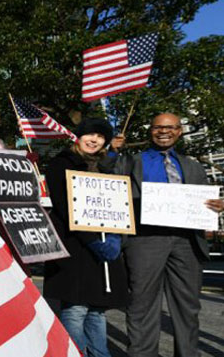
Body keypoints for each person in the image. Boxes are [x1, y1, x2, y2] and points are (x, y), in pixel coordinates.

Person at [115, 113, 224, 357]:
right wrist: (111, 152)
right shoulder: (131, 161)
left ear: (179, 131)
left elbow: (204, 200)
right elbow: (106, 179)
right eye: (158, 127)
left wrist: (216, 205)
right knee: (142, 304)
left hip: (187, 242)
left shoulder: (193, 166)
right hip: (144, 240)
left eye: (171, 127)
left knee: (188, 307)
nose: (164, 131)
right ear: (150, 130)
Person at [43, 118, 128, 357]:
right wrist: (91, 240)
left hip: (102, 245)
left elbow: (118, 205)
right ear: (78, 136)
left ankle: (101, 354)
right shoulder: (62, 163)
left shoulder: (107, 166)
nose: (94, 140)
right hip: (74, 245)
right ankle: (75, 353)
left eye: (100, 137)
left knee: (97, 311)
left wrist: (114, 236)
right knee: (75, 309)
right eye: (90, 134)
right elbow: (63, 205)